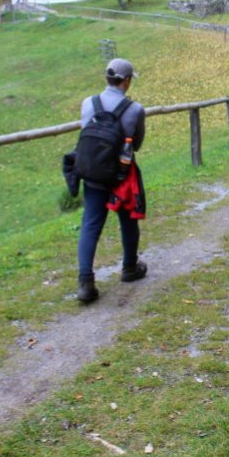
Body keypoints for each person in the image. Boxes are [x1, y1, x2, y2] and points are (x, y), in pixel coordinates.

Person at [75, 58, 147, 303]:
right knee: (128, 222)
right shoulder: (134, 109)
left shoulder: (88, 103)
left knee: (90, 225)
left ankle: (85, 282)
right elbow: (136, 144)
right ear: (126, 81)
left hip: (93, 175)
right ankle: (129, 268)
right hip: (120, 177)